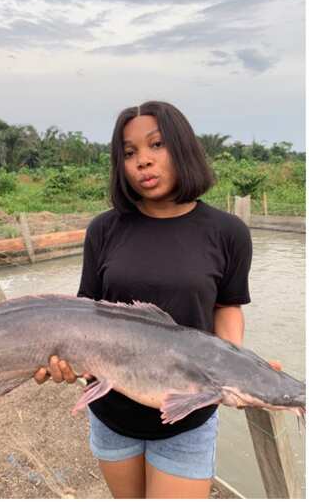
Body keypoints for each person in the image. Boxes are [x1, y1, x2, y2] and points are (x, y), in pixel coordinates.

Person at [35, 100, 257, 498]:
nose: (143, 162)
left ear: (183, 148)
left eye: (156, 146)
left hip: (189, 418)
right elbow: (84, 313)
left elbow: (228, 305)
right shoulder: (104, 229)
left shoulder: (228, 232)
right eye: (129, 152)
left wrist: (233, 365)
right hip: (112, 413)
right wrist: (60, 361)